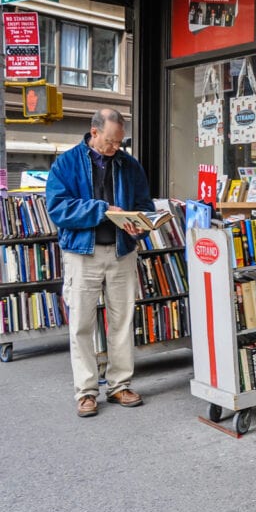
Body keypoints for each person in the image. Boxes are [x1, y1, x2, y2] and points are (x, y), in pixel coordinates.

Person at [46, 108, 155, 417]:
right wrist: (102, 209)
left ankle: (120, 385)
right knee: (81, 323)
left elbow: (144, 205)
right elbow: (57, 209)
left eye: (119, 142)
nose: (115, 148)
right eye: (110, 141)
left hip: (122, 251)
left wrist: (139, 222)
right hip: (83, 254)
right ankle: (86, 391)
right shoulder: (66, 163)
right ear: (94, 133)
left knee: (122, 322)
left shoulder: (129, 164)